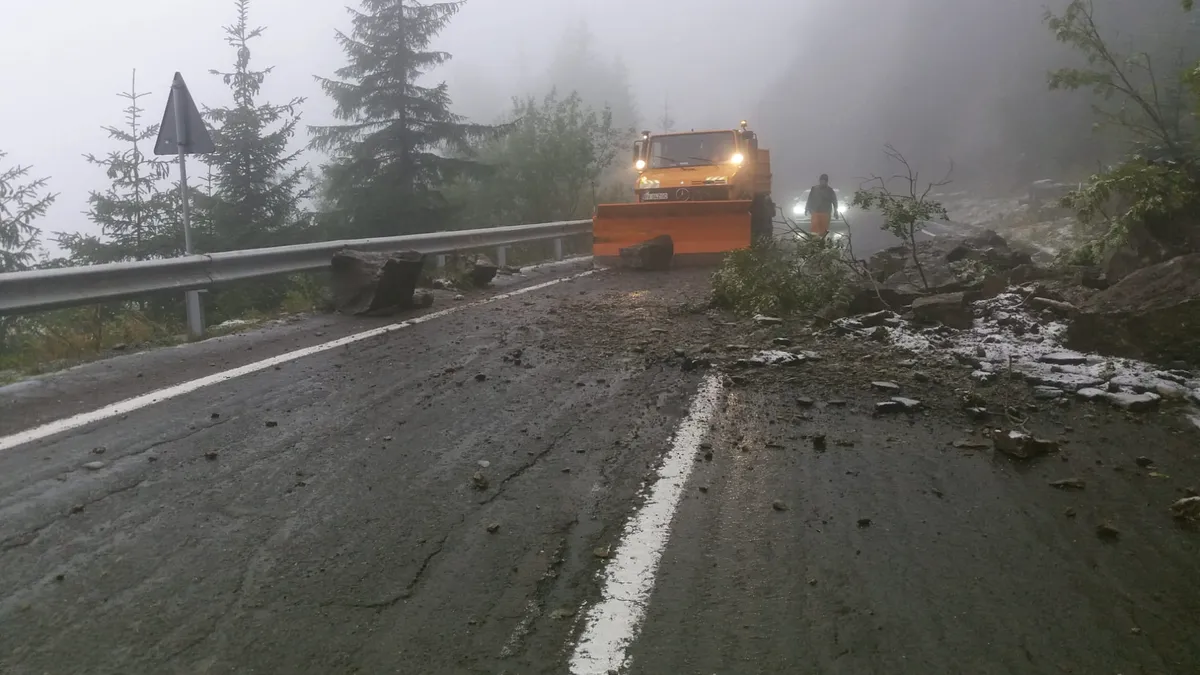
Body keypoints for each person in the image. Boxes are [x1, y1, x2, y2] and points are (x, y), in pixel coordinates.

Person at [804, 174, 839, 238]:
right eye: (821, 180)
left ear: (826, 182)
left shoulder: (830, 190)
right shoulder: (814, 189)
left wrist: (836, 211)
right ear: (819, 181)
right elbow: (809, 199)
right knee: (814, 231)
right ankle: (814, 244)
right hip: (815, 213)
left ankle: (822, 244)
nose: (822, 182)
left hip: (825, 213)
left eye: (824, 181)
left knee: (823, 231)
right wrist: (806, 209)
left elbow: (834, 201)